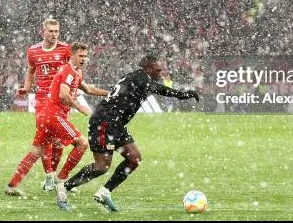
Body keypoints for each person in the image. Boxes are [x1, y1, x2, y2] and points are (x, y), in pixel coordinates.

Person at [61, 55, 200, 212]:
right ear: (148, 68)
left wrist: (181, 95)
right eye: (158, 69)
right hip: (104, 122)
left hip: (116, 124)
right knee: (101, 167)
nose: (160, 72)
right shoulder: (143, 79)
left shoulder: (139, 77)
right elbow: (161, 89)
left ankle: (104, 192)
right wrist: (183, 95)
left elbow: (157, 88)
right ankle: (65, 187)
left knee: (134, 158)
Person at [5, 42, 110, 210]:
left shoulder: (76, 71)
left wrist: (109, 93)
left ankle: (11, 186)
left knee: (36, 152)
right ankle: (62, 182)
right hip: (54, 116)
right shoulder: (67, 70)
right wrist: (80, 107)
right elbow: (63, 95)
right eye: (80, 56)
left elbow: (88, 89)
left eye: (85, 56)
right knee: (82, 144)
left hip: (46, 116)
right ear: (72, 55)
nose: (84, 59)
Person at [16, 18, 71, 191]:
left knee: (59, 141)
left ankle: (53, 175)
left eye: (56, 31)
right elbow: (31, 70)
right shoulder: (33, 51)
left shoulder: (65, 49)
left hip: (61, 100)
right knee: (45, 139)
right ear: (43, 32)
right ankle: (49, 177)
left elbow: (73, 70)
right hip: (42, 99)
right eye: (51, 31)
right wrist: (26, 88)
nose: (54, 34)